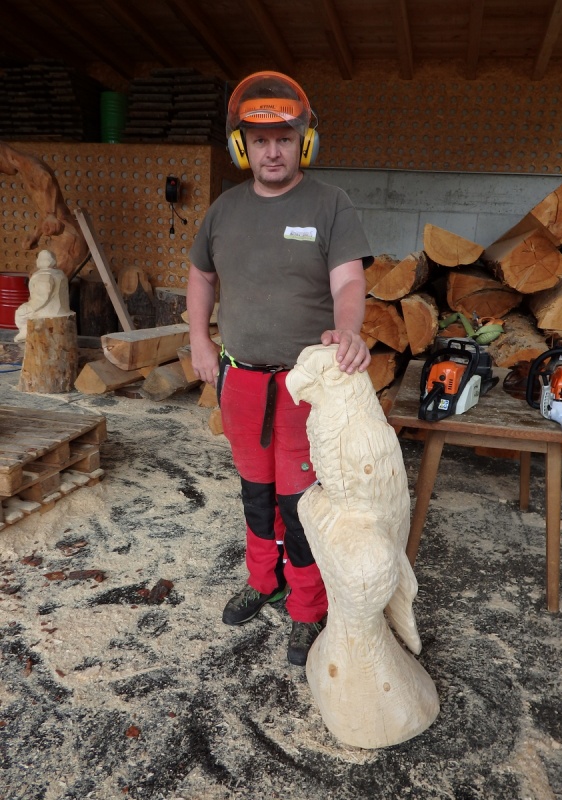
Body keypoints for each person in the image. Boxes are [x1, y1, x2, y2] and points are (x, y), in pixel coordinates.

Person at [187, 71, 373, 666]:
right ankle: (262, 580)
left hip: (305, 383)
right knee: (255, 491)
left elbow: (348, 280)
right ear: (241, 145)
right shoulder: (223, 209)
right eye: (260, 140)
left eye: (285, 139)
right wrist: (199, 340)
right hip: (240, 378)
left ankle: (307, 606)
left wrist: (348, 329)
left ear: (304, 143)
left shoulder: (330, 204)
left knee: (300, 500)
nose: (272, 151)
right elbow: (201, 276)